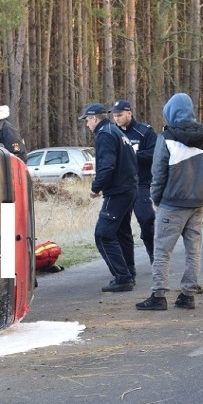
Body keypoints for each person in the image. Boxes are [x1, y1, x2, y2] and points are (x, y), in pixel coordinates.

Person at [136, 93, 203, 311]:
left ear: (170, 112)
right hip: (197, 202)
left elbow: (158, 171)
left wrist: (156, 198)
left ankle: (158, 295)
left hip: (172, 202)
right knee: (193, 250)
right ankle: (188, 295)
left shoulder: (166, 137)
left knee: (162, 250)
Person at [79, 102, 139, 292]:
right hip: (129, 188)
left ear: (94, 118)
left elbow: (107, 165)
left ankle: (122, 277)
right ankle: (129, 271)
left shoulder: (105, 135)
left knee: (103, 235)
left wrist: (96, 188)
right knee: (122, 232)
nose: (87, 124)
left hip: (119, 191)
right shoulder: (117, 132)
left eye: (87, 120)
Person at [111, 99, 157, 264]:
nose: (117, 118)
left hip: (140, 183)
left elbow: (155, 153)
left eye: (120, 115)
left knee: (147, 218)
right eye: (115, 116)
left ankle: (154, 253)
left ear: (129, 113)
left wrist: (132, 156)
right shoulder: (112, 133)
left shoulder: (144, 132)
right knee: (120, 226)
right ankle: (127, 265)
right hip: (120, 186)